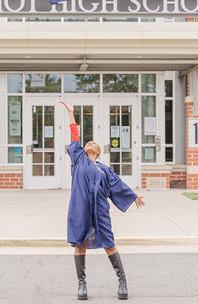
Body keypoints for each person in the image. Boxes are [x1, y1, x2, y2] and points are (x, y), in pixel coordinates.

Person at [60, 100, 145, 301]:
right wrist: (71, 113)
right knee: (80, 244)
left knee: (109, 244)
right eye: (87, 143)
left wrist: (133, 197)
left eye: (92, 144)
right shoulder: (78, 158)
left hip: (99, 211)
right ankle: (82, 285)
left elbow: (118, 186)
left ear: (98, 152)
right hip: (80, 209)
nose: (88, 143)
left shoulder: (105, 170)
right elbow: (74, 135)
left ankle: (122, 282)